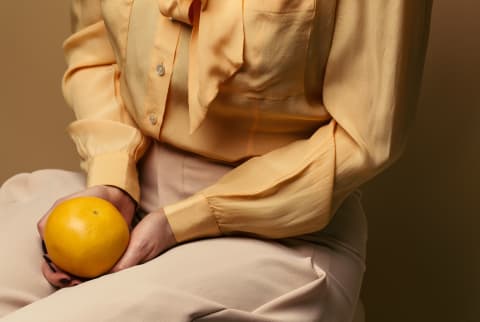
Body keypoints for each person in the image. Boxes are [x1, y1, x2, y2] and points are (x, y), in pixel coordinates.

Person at [0, 0, 432, 321]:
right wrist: (113, 174)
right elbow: (95, 48)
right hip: (124, 197)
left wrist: (184, 220)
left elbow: (365, 138)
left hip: (280, 235)